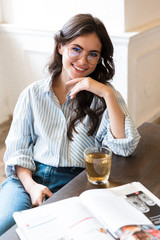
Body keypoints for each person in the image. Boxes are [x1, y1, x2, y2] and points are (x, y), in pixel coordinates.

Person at [0, 13, 140, 235]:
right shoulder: (32, 94)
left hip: (76, 181)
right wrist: (32, 186)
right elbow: (18, 151)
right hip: (27, 177)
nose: (83, 61)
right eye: (76, 49)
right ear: (60, 47)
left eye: (92, 54)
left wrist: (107, 93)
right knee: (6, 226)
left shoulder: (105, 96)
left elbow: (125, 147)